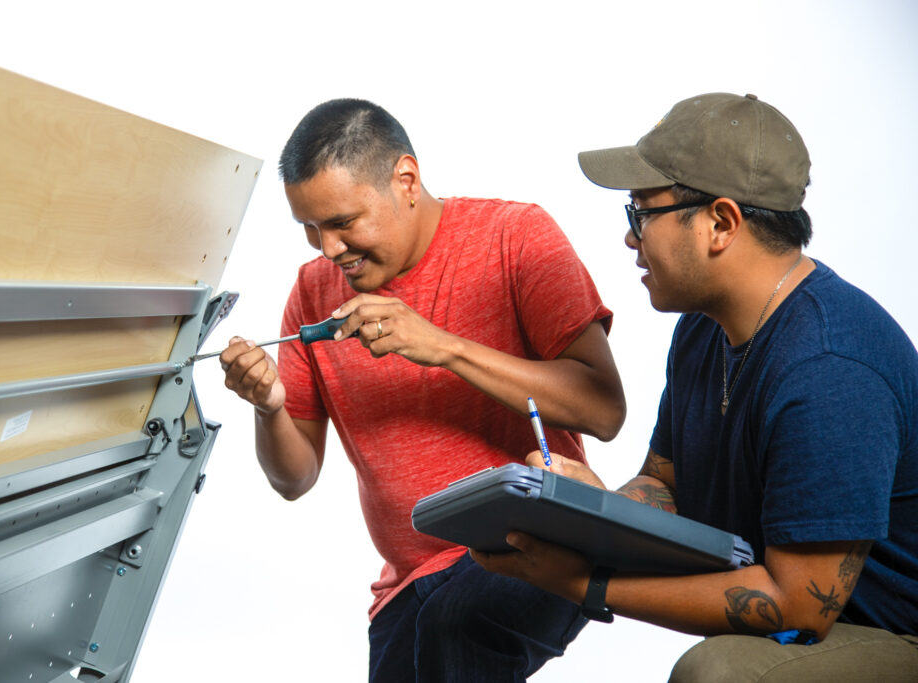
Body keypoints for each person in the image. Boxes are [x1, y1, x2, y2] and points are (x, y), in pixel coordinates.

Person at [473, 92, 918, 682]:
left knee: (718, 671)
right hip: (812, 631)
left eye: (640, 213)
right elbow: (665, 482)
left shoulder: (829, 369)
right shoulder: (702, 332)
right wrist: (589, 509)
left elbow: (799, 606)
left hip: (889, 633)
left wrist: (587, 583)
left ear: (721, 223)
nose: (631, 239)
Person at [219, 98, 626, 681]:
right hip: (408, 583)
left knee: (454, 620)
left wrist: (445, 347)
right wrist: (270, 408)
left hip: (535, 542)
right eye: (309, 228)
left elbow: (605, 409)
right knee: (435, 621)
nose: (327, 249)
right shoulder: (312, 293)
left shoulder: (517, 236)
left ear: (406, 180)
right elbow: (295, 479)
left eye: (342, 223)